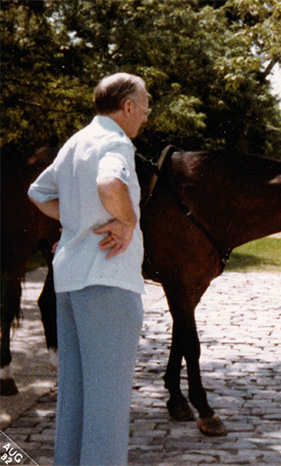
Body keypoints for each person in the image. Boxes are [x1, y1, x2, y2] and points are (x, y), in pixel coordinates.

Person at [28, 72, 150, 465]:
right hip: (108, 278)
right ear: (128, 106)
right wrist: (128, 221)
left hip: (70, 278)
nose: (147, 115)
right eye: (145, 105)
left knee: (75, 400)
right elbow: (110, 183)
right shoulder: (115, 142)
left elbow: (39, 192)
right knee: (107, 406)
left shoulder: (75, 142)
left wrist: (76, 219)